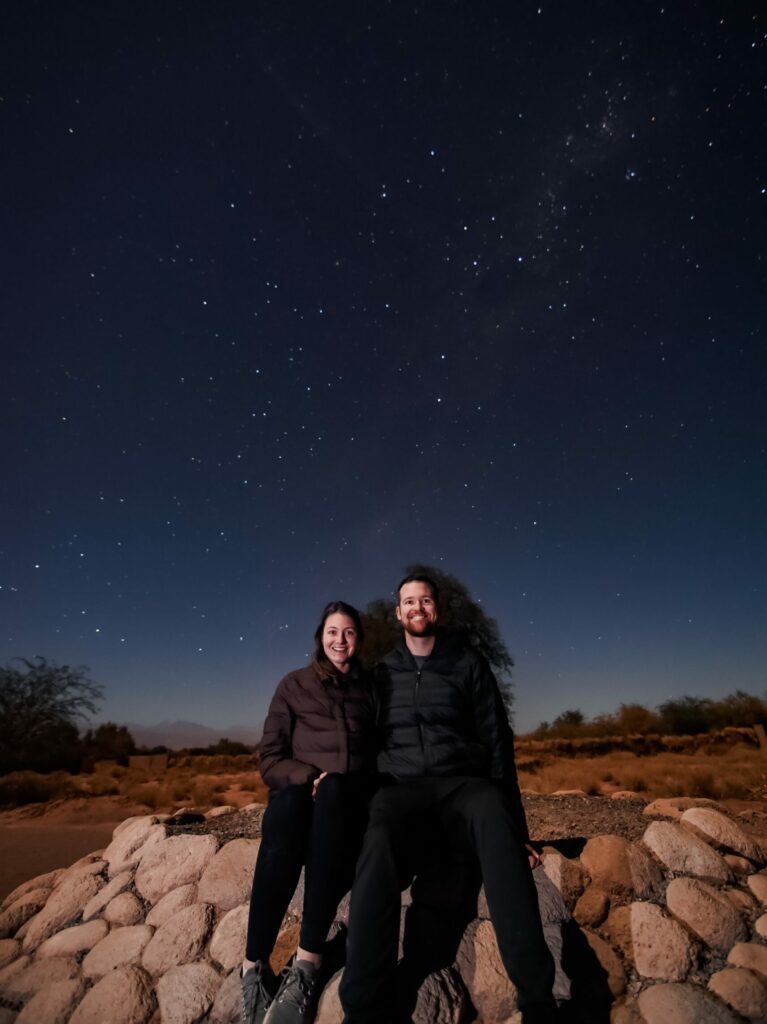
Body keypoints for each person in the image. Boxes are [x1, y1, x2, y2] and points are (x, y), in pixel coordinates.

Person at [339, 574, 558, 1024]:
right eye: (408, 602)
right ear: (397, 614)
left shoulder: (469, 664)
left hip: (463, 789)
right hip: (402, 795)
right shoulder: (381, 675)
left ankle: (538, 1001)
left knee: (492, 814)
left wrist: (518, 830)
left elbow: (497, 741)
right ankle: (361, 1007)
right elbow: (358, 742)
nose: (417, 607)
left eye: (425, 600)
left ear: (436, 609)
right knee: (377, 838)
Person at [241, 601, 377, 1024]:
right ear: (321, 636)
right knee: (283, 813)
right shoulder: (293, 684)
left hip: (347, 802)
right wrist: (309, 776)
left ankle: (306, 964)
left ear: (358, 639)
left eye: (349, 632)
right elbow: (270, 760)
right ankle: (252, 967)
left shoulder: (371, 689)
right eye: (333, 632)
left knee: (336, 790)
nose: (341, 640)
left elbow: (382, 753)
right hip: (301, 798)